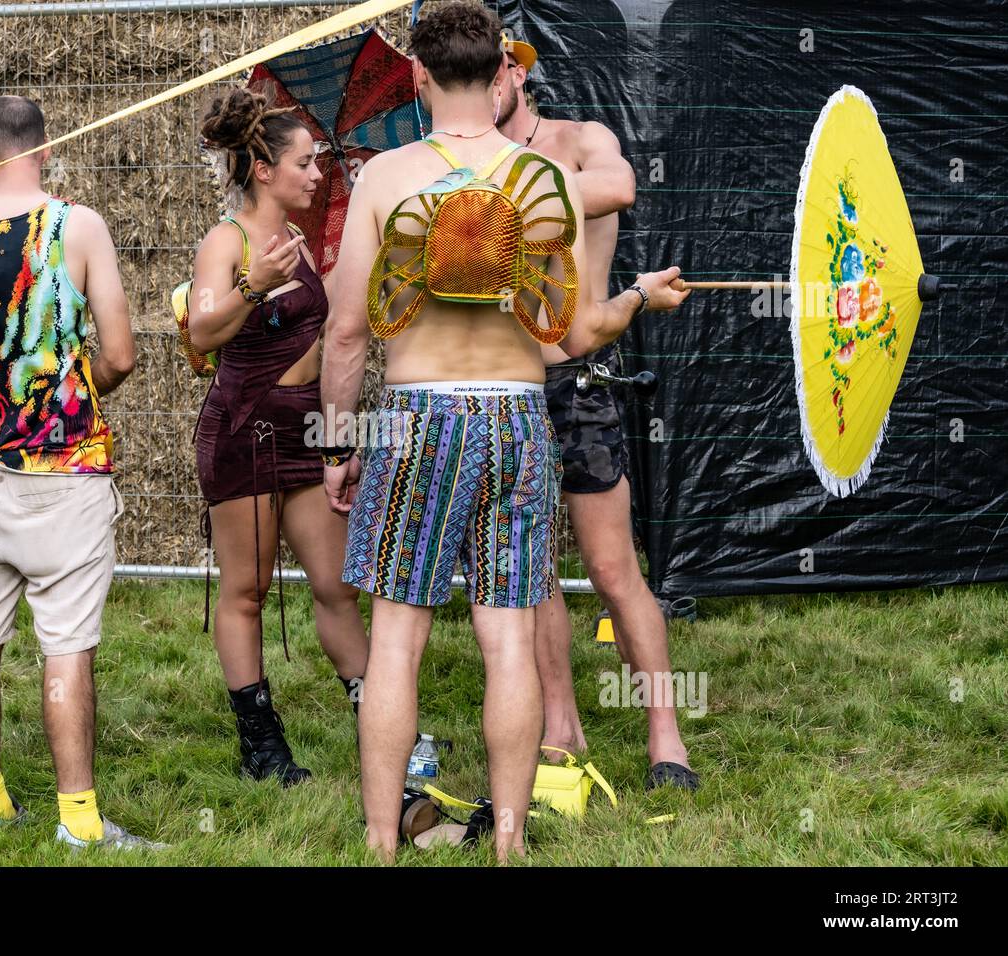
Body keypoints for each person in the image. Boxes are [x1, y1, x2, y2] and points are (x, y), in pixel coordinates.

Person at [321, 1, 690, 863]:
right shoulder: (546, 183)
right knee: (507, 635)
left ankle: (380, 842)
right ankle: (512, 843)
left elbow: (344, 333)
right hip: (518, 418)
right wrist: (637, 298)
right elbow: (567, 336)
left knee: (397, 639)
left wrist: (339, 447)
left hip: (416, 419)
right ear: (499, 76)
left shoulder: (384, 176)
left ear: (416, 75)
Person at [0, 95, 163, 850]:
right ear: (47, 149)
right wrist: (59, 387)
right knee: (66, 648)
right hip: (66, 472)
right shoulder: (77, 227)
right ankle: (79, 824)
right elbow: (119, 355)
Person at [496, 33, 698, 791]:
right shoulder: (466, 157)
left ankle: (666, 737)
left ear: (517, 73)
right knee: (534, 573)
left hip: (576, 378)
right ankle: (560, 724)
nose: (483, 85)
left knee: (615, 573)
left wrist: (502, 188)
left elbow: (619, 189)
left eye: (497, 70)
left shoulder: (581, 143)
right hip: (504, 389)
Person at [189, 87, 369, 786]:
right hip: (242, 428)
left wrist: (336, 440)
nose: (316, 172)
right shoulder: (225, 241)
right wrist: (255, 285)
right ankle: (261, 748)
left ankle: (380, 715)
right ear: (263, 169)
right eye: (305, 162)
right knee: (247, 589)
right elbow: (201, 332)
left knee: (335, 584)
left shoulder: (300, 239)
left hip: (304, 428)